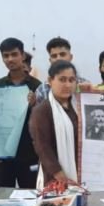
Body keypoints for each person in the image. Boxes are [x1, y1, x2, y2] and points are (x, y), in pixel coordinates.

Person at [0, 37, 42, 189]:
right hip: (3, 153)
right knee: (2, 197)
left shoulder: (37, 86)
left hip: (29, 154)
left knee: (31, 197)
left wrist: (35, 105)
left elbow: (45, 121)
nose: (10, 59)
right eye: (6, 56)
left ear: (23, 55)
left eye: (14, 54)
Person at [29, 60, 80, 188]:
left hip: (81, 173)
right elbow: (42, 147)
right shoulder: (42, 110)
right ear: (50, 81)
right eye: (62, 79)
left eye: (71, 80)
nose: (67, 85)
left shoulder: (78, 108)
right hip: (54, 178)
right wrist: (60, 175)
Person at [35, 37, 89, 105]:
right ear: (50, 60)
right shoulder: (42, 90)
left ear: (70, 57)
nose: (58, 58)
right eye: (54, 56)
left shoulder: (86, 86)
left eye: (62, 54)